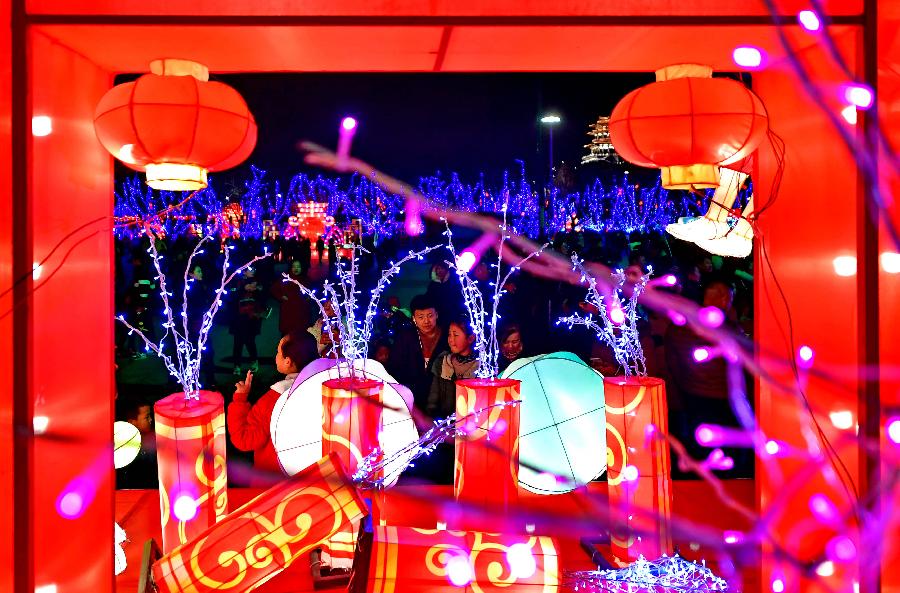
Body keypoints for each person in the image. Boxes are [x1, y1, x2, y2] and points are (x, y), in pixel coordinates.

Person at [664, 279, 751, 477]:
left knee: (699, 448)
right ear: (724, 298)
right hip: (723, 399)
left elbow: (672, 361)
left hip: (691, 395)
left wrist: (683, 384)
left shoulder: (680, 325)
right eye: (730, 298)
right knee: (727, 452)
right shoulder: (726, 329)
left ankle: (700, 482)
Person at [228, 331, 318, 485]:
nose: (275, 356)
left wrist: (240, 399)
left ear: (287, 361)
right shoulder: (325, 388)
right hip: (312, 481)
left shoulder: (273, 400)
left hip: (273, 482)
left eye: (278, 352)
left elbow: (244, 439)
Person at [386, 294, 446, 415]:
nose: (426, 321)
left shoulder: (447, 337)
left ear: (436, 315)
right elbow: (394, 369)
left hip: (441, 400)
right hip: (411, 401)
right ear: (414, 318)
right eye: (421, 317)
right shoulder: (405, 338)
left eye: (430, 315)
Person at [427, 316, 480, 419]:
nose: (451, 339)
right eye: (449, 334)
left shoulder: (480, 366)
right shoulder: (443, 362)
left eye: (455, 335)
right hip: (444, 422)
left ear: (471, 338)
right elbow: (433, 399)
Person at [115, 395, 158, 489]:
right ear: (132, 422)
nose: (151, 420)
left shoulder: (153, 438)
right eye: (147, 417)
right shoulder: (122, 447)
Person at [229, 267, 265, 375]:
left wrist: (257, 290)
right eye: (250, 269)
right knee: (238, 342)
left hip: (251, 318)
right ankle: (237, 365)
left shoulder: (257, 283)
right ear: (244, 271)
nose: (253, 271)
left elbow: (262, 298)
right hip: (238, 318)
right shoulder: (237, 283)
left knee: (250, 341)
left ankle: (254, 362)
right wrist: (242, 288)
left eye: (254, 269)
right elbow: (232, 297)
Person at [270, 259, 313, 336]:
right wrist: (281, 296)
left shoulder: (306, 280)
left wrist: (309, 297)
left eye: (298, 267)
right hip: (288, 310)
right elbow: (274, 289)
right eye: (294, 266)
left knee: (300, 334)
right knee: (287, 333)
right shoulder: (285, 278)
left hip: (301, 311)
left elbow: (313, 292)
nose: (296, 269)